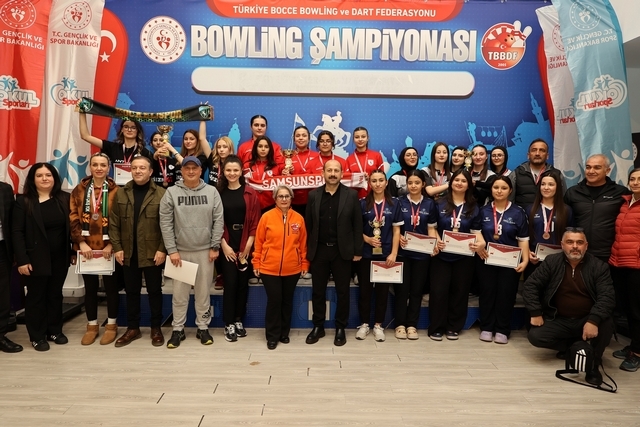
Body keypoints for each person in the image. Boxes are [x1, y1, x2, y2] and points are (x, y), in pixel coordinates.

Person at [524, 228, 615, 386]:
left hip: (586, 319)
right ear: (562, 245)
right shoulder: (552, 262)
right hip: (559, 318)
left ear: (586, 245)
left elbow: (607, 297)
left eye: (579, 242)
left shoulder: (599, 267)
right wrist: (535, 312)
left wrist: (593, 320)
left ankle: (593, 363)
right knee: (535, 336)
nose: (575, 246)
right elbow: (531, 285)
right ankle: (573, 348)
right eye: (570, 242)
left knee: (606, 324)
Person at [159, 156, 224, 348]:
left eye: (194, 168)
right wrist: (172, 250)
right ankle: (177, 329)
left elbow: (218, 219)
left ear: (200, 170)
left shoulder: (212, 191)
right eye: (186, 168)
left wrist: (214, 246)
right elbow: (165, 223)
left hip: (205, 252)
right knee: (180, 294)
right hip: (180, 253)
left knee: (203, 293)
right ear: (181, 171)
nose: (190, 171)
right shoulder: (171, 192)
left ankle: (202, 327)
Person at [13, 163, 72, 351]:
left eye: (48, 175)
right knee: (36, 297)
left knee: (55, 294)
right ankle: (37, 336)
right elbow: (17, 232)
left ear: (54, 178)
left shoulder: (65, 198)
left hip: (60, 257)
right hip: (34, 259)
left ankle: (54, 330)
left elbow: (70, 230)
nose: (44, 179)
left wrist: (72, 253)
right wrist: (22, 260)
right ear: (33, 179)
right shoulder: (23, 201)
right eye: (39, 175)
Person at [109, 156, 167, 347]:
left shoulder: (162, 194)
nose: (138, 171)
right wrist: (117, 247)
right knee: (131, 291)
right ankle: (133, 328)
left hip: (152, 252)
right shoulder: (121, 193)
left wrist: (162, 249)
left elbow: (168, 225)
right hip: (128, 251)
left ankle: (156, 328)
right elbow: (114, 223)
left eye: (142, 168)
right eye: (134, 168)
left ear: (150, 171)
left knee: (154, 291)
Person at [305, 160, 363, 347]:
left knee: (343, 291)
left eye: (336, 170)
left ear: (341, 173)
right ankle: (318, 326)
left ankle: (340, 327)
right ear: (322, 173)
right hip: (319, 250)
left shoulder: (351, 195)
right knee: (318, 291)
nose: (332, 173)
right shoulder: (313, 195)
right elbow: (308, 225)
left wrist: (357, 250)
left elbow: (357, 225)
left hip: (342, 251)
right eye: (329, 170)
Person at [69, 153, 120, 345]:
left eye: (103, 165)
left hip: (109, 248)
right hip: (86, 248)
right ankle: (91, 326)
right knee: (90, 289)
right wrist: (81, 243)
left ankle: (111, 325)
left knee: (111, 289)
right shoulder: (79, 190)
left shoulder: (117, 191)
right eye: (95, 165)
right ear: (90, 167)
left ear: (109, 168)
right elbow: (73, 217)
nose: (99, 168)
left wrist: (112, 244)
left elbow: (121, 220)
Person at [429, 169, 484, 341]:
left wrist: (481, 243)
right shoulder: (438, 203)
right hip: (442, 255)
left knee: (460, 291)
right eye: (456, 180)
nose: (459, 183)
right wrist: (436, 240)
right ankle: (436, 327)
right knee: (438, 291)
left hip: (464, 256)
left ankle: (454, 327)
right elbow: (432, 227)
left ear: (468, 185)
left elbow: (476, 232)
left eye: (463, 181)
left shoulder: (474, 207)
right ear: (451, 182)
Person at [252, 185, 309, 350]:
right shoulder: (266, 217)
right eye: (280, 196)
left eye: (287, 196)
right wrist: (256, 262)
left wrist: (304, 263)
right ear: (275, 199)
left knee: (287, 301)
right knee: (274, 301)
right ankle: (272, 336)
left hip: (292, 268)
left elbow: (303, 244)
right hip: (269, 268)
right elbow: (259, 242)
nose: (284, 199)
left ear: (291, 198)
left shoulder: (299, 218)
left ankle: (284, 333)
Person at [475, 176, 529, 344]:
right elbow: (476, 232)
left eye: (504, 188)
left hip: (509, 262)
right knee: (487, 293)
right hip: (486, 259)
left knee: (506, 294)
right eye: (496, 187)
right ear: (491, 190)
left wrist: (525, 260)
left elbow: (523, 239)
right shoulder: (483, 210)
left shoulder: (518, 212)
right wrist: (480, 246)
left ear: (510, 190)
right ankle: (486, 327)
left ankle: (502, 329)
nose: (499, 191)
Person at [217, 155, 260, 342]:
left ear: (241, 171)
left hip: (245, 243)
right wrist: (223, 245)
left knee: (243, 284)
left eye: (235, 170)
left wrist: (249, 245)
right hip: (226, 242)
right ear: (223, 172)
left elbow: (255, 221)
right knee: (231, 283)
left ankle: (238, 320)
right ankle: (228, 323)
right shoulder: (217, 193)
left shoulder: (250, 193)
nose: (232, 173)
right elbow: (214, 221)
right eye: (229, 170)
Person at [357, 170, 403, 342]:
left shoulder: (394, 203)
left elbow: (396, 231)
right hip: (366, 254)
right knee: (365, 291)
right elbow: (356, 228)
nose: (377, 184)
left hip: (386, 255)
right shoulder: (362, 203)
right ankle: (364, 324)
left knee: (382, 292)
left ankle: (378, 325)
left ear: (386, 183)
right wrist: (367, 239)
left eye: (381, 180)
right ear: (369, 183)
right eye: (374, 181)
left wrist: (394, 253)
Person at [396, 170, 438, 340]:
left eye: (417, 183)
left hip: (422, 254)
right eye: (410, 183)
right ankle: (400, 324)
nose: (413, 186)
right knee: (402, 290)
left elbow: (431, 228)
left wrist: (434, 244)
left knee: (416, 291)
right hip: (403, 253)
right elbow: (394, 227)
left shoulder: (430, 204)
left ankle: (412, 324)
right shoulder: (399, 202)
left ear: (423, 185)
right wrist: (399, 237)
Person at [564, 154, 629, 263]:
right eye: (588, 167)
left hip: (608, 253)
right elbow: (563, 219)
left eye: (597, 167)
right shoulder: (573, 192)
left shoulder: (620, 192)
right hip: (577, 252)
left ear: (607, 170)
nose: (591, 171)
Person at [608, 168, 640, 372]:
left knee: (637, 311)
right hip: (619, 263)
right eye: (633, 179)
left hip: (637, 265)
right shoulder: (625, 203)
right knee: (627, 308)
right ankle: (634, 345)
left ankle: (637, 352)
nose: (636, 182)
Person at [78, 112, 152, 185]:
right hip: (117, 189)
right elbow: (85, 136)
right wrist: (82, 112)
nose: (129, 130)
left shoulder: (145, 152)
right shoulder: (112, 147)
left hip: (137, 188)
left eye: (133, 127)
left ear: (137, 130)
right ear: (122, 129)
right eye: (126, 127)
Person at [526, 169, 573, 277]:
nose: (546, 188)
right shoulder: (530, 209)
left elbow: (570, 235)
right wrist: (527, 252)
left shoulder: (566, 210)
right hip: (534, 258)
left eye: (551, 184)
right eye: (543, 184)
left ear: (558, 187)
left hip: (559, 260)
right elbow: (524, 236)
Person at [0, 181, 22, 353]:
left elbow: (12, 224)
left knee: (2, 295)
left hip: (2, 249)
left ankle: (0, 336)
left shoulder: (5, 189)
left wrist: (15, 252)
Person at [514, 139, 564, 208]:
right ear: (528, 155)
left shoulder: (557, 174)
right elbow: (509, 202)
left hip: (549, 214)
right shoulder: (516, 174)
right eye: (534, 150)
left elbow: (562, 200)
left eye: (542, 150)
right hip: (522, 214)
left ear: (547, 156)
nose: (537, 153)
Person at [284, 125, 321, 215]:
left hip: (314, 200)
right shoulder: (287, 157)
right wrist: (284, 173)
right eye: (298, 136)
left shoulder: (318, 156)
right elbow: (281, 178)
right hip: (293, 201)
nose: (301, 138)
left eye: (304, 135)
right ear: (294, 139)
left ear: (309, 139)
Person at [244, 136, 284, 213]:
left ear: (270, 149)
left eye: (266, 147)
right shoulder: (247, 166)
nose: (263, 149)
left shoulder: (276, 167)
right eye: (260, 146)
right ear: (255, 148)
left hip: (271, 205)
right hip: (252, 206)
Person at [346, 126, 384, 199]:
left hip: (374, 195)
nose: (360, 139)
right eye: (357, 137)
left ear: (367, 138)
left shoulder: (376, 156)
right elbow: (348, 182)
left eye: (363, 137)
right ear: (353, 139)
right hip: (356, 197)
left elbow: (382, 177)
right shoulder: (349, 159)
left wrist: (371, 178)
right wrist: (359, 179)